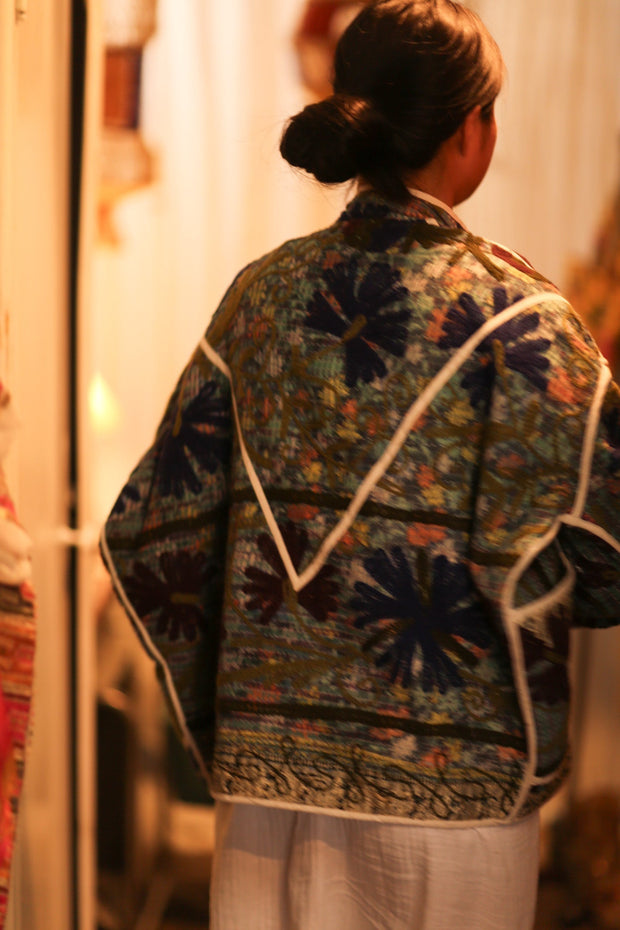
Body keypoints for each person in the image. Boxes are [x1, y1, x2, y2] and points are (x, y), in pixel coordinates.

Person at [100, 1, 620, 928]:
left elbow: (152, 530)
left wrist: (260, 684)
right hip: (457, 799)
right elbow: (608, 554)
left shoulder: (260, 297)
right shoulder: (524, 324)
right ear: (471, 131)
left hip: (267, 796)